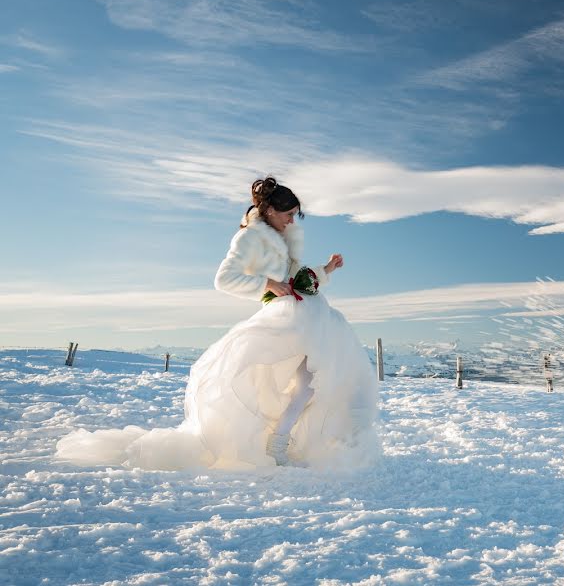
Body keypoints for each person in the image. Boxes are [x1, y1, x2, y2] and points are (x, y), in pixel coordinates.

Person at [57, 177, 380, 470]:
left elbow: (294, 279)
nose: (292, 221)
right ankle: (276, 443)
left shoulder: (283, 238)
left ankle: (286, 441)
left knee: (315, 383)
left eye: (295, 215)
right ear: (268, 210)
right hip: (286, 317)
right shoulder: (249, 240)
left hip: (309, 315)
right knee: (299, 384)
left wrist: (325, 270)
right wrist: (266, 285)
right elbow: (224, 279)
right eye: (287, 214)